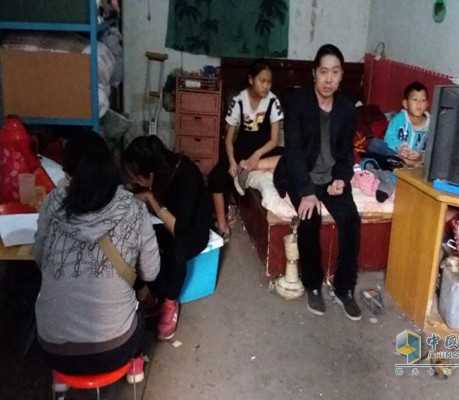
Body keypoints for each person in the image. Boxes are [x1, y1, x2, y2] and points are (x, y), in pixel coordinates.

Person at [34, 132, 160, 386]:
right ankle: (134, 364)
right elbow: (151, 272)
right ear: (110, 166)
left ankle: (60, 382)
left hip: (54, 353)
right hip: (115, 349)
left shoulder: (52, 203)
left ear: (68, 174)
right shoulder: (133, 208)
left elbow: (40, 259)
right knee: (139, 308)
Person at [273, 44, 362, 320]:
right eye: (323, 72)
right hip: (301, 177)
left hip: (330, 178)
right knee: (310, 219)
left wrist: (341, 178)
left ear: (341, 75)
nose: (328, 79)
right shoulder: (297, 103)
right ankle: (312, 284)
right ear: (314, 73)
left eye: (334, 72)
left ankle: (344, 288)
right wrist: (307, 192)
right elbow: (294, 151)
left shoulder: (346, 108)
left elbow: (346, 151)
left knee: (352, 219)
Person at [123, 135, 211, 340]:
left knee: (177, 252)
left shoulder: (186, 175)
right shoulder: (162, 173)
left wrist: (150, 198)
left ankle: (170, 302)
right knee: (137, 238)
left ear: (151, 174)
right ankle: (150, 296)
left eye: (136, 177)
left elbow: (178, 229)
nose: (134, 181)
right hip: (167, 220)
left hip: (192, 229)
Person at [208, 59, 285, 240]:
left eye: (269, 82)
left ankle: (248, 168)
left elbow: (274, 140)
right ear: (251, 79)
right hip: (241, 149)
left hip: (264, 150)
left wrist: (257, 155)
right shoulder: (239, 101)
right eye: (262, 81)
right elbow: (229, 139)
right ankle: (222, 224)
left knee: (289, 157)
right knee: (216, 176)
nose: (266, 86)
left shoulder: (273, 101)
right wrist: (232, 161)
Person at [368, 81, 430, 167]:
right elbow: (389, 138)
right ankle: (405, 162)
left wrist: (420, 155)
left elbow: (433, 149)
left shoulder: (431, 125)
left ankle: (406, 162)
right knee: (374, 143)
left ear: (427, 104)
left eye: (423, 100)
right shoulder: (399, 118)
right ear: (405, 104)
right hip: (396, 154)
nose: (419, 104)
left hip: (417, 160)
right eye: (415, 99)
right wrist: (400, 147)